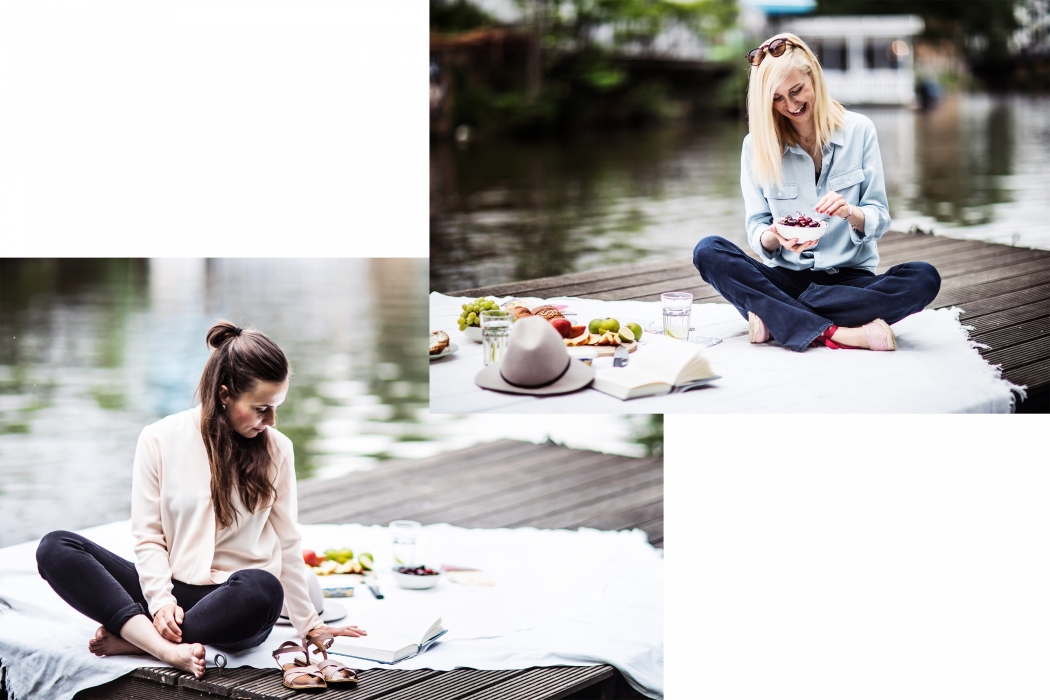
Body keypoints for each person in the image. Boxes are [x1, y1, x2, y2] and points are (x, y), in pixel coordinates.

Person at [36, 321, 365, 687]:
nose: (271, 421)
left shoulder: (278, 449)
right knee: (57, 547)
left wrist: (310, 625)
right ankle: (162, 645)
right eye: (261, 409)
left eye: (275, 408)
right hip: (173, 591)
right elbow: (149, 537)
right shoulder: (158, 438)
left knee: (263, 587)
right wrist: (161, 603)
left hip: (235, 604)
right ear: (225, 395)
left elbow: (288, 543)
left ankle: (137, 637)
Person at [692, 33, 941, 352]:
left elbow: (879, 216)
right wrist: (774, 236)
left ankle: (778, 315)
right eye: (777, 98)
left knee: (924, 278)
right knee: (708, 251)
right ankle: (840, 332)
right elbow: (757, 227)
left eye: (796, 91)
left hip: (851, 280)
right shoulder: (755, 146)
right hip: (785, 276)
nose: (791, 105)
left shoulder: (860, 130)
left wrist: (851, 212)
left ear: (814, 77)